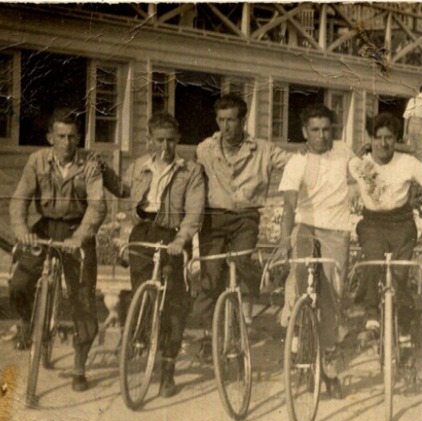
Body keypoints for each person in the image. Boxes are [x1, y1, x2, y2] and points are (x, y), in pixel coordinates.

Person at [9, 109, 107, 392]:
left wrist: (80, 236)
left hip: (77, 231)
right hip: (44, 227)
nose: (67, 142)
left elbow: (98, 205)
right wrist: (22, 230)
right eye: (61, 136)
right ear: (50, 137)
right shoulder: (37, 160)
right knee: (19, 283)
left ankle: (79, 363)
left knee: (82, 298)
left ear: (79, 138)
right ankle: (28, 323)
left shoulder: (90, 164)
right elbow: (19, 200)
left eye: (72, 136)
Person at [122, 111, 205, 397]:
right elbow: (127, 200)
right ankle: (141, 339)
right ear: (149, 140)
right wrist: (125, 235)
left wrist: (181, 240)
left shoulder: (190, 171)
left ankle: (167, 369)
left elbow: (194, 212)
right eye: (159, 140)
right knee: (141, 292)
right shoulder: (137, 167)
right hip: (143, 232)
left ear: (178, 139)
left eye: (171, 140)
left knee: (174, 302)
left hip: (173, 235)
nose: (165, 147)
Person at [275, 104, 354, 399]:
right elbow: (288, 206)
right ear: (305, 132)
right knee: (298, 288)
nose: (322, 135)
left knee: (333, 296)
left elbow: (369, 174)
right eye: (316, 130)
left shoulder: (345, 152)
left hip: (337, 231)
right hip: (307, 227)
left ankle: (330, 369)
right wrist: (285, 240)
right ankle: (299, 347)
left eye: (327, 129)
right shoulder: (297, 162)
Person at [192, 94, 289, 330]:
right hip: (213, 219)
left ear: (243, 120)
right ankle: (208, 334)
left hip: (245, 217)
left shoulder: (263, 150)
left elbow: (295, 163)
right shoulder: (205, 149)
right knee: (211, 276)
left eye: (232, 120)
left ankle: (243, 306)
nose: (226, 126)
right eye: (221, 120)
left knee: (240, 261)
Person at [349, 113, 422, 364]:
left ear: (396, 139)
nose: (383, 144)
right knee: (373, 262)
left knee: (400, 277)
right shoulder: (361, 164)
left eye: (389, 138)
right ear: (371, 139)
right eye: (378, 138)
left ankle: (406, 334)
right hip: (373, 223)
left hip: (401, 224)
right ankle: (372, 317)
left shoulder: (407, 162)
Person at [403, 83, 422, 159]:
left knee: (413, 148)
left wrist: (405, 132)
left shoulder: (412, 100)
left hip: (413, 125)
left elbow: (406, 117)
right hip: (419, 125)